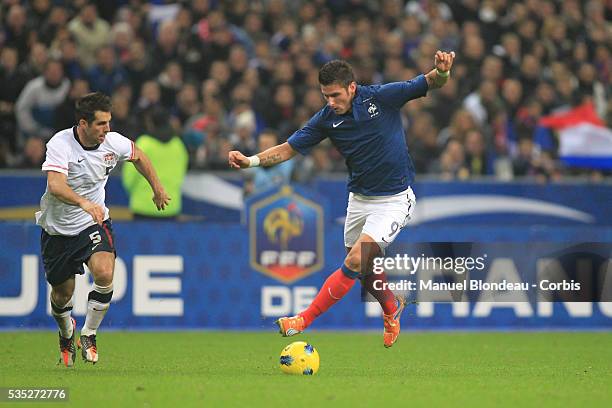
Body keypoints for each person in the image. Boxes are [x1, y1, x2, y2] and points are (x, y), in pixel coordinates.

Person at [229, 51, 455, 347]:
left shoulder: (382, 98)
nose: (330, 103)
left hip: (394, 200)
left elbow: (428, 83)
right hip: (359, 200)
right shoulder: (326, 119)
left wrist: (442, 72)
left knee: (355, 260)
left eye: (335, 96)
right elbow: (287, 149)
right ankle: (391, 307)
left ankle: (303, 320)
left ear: (352, 88)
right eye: (325, 97)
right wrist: (251, 161)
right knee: (364, 272)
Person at [36, 92, 170, 366]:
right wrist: (84, 202)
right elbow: (56, 185)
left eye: (108, 122)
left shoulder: (113, 142)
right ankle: (66, 332)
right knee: (62, 295)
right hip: (58, 230)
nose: (107, 129)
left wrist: (157, 187)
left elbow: (139, 155)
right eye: (100, 124)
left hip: (93, 222)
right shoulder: (60, 144)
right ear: (83, 123)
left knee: (105, 272)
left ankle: (89, 333)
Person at [122, 107, 188, 220]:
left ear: (150, 123)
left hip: (142, 206)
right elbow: (182, 173)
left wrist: (135, 194)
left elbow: (129, 176)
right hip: (171, 207)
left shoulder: (144, 143)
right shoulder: (178, 145)